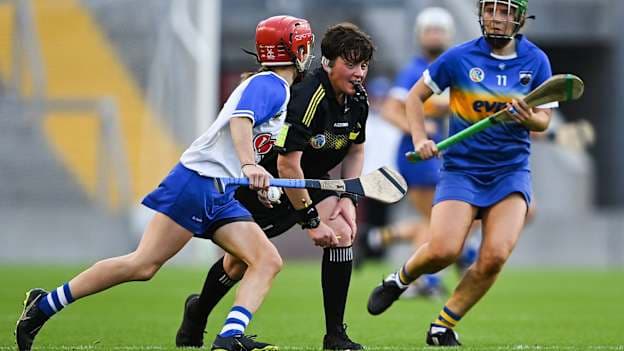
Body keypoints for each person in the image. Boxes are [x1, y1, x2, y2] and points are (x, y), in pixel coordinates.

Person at [15, 15, 315, 351]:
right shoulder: (271, 85)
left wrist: (257, 179)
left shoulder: (274, 86)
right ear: (294, 49)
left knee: (266, 260)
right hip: (197, 183)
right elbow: (241, 121)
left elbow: (245, 139)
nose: (309, 52)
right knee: (143, 265)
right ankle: (42, 306)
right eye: (305, 45)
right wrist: (248, 164)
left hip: (221, 191)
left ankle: (229, 338)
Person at [175, 23, 374, 351]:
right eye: (350, 64)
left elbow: (356, 149)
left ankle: (335, 335)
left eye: (364, 65)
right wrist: (311, 221)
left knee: (342, 233)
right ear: (328, 62)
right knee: (238, 263)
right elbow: (286, 164)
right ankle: (198, 311)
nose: (359, 73)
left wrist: (348, 197)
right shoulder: (308, 98)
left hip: (310, 180)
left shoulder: (358, 100)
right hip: (269, 185)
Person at [367, 0, 556, 346]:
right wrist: (420, 137)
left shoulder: (536, 61)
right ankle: (400, 279)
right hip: (462, 170)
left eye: (504, 12)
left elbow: (543, 121)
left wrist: (525, 116)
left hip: (510, 172)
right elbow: (413, 98)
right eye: (489, 10)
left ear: (519, 18)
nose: (495, 19)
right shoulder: (458, 58)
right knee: (444, 249)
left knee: (495, 256)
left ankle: (443, 325)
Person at [359, 7, 478, 297]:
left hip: (442, 157)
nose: (434, 35)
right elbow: (389, 109)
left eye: (439, 30)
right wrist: (418, 135)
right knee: (440, 222)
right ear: (420, 36)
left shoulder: (450, 70)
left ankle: (379, 240)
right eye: (429, 30)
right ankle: (422, 279)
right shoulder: (414, 70)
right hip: (420, 157)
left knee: (439, 221)